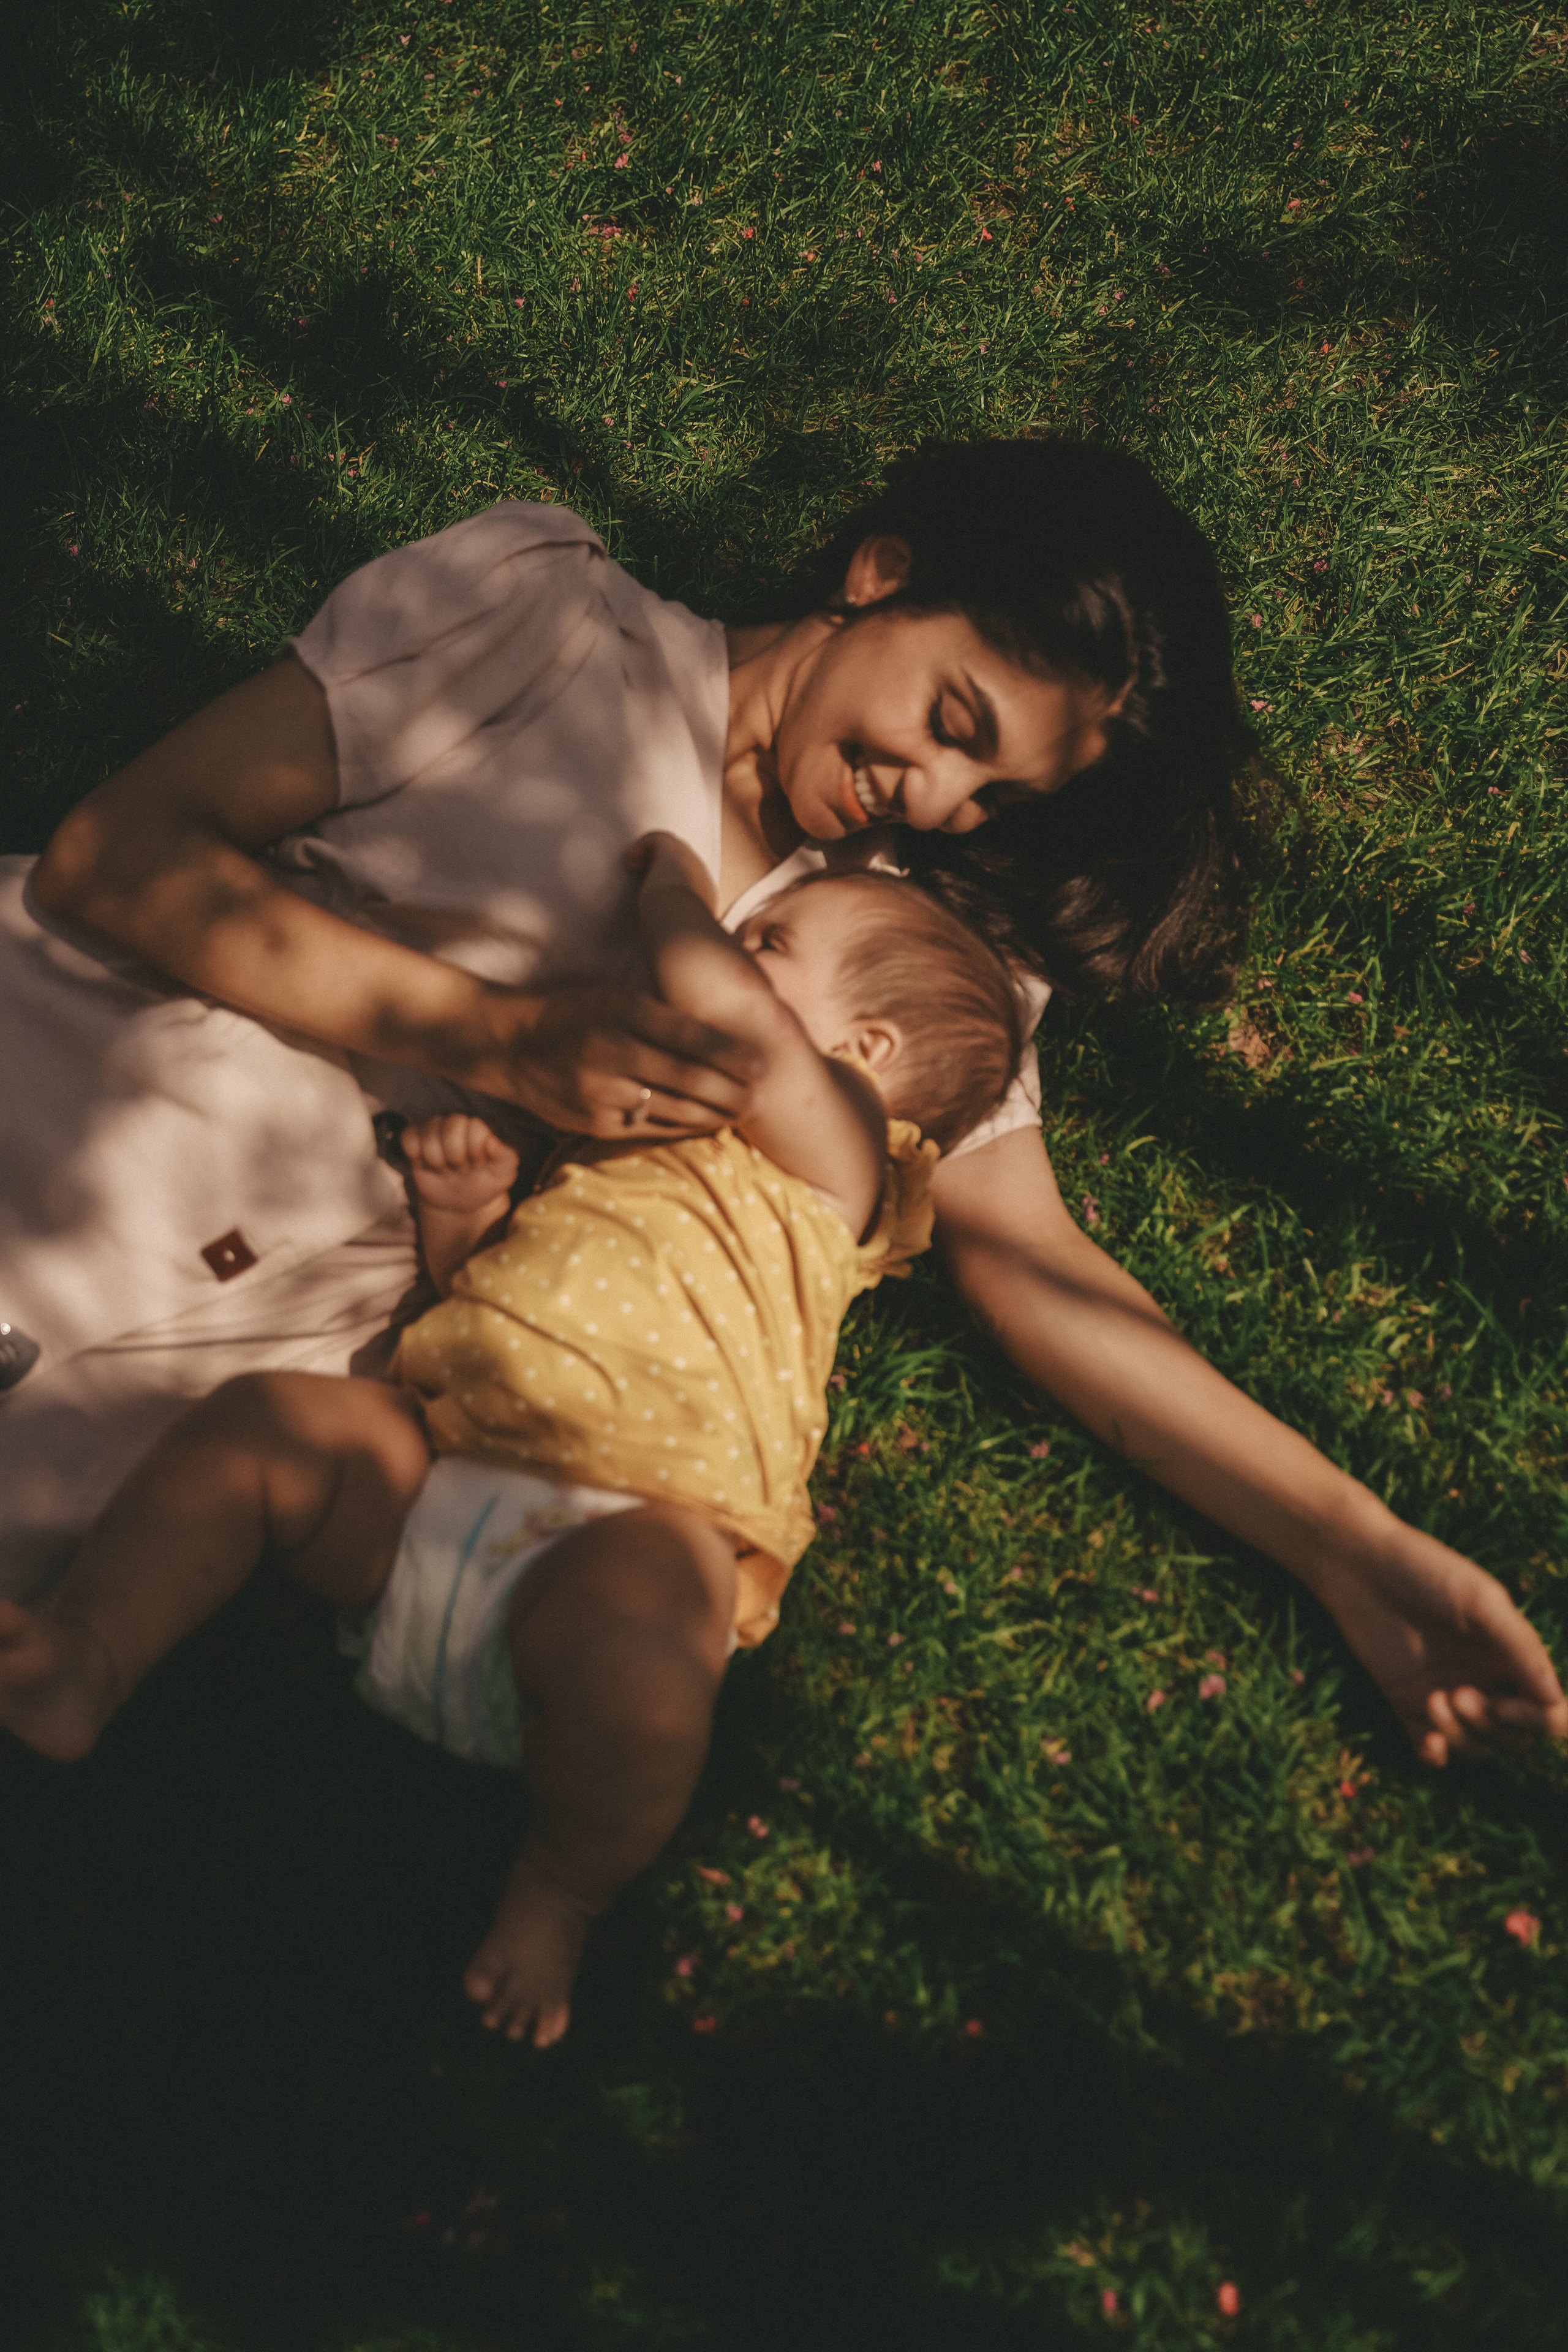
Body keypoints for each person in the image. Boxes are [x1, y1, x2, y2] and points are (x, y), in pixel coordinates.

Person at [2, 439, 1561, 1768]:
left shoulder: (904, 967)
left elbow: (1041, 1277)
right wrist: (500, 1042)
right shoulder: (556, 627)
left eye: (999, 797)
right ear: (878, 572)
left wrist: (1357, 1556)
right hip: (75, 1073)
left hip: (207, 1361)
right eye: (954, 724)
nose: (939, 802)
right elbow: (119, 851)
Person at [0, 837, 1017, 2048]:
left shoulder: (842, 1160)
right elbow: (498, 1299)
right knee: (270, 1426)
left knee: (651, 1647)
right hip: (430, 1493)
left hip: (626, 1540)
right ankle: (88, 1660)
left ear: (861, 1054)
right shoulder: (621, 1139)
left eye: (772, 946)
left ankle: (561, 1887)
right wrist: (469, 1214)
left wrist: (676, 890)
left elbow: (733, 1022)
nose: (730, 955)